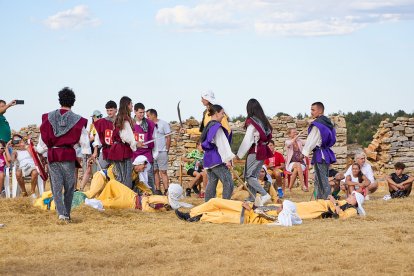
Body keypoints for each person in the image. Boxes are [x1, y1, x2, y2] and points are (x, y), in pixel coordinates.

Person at [36, 87, 90, 222]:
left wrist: (40, 151)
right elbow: (84, 141)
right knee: (69, 186)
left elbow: (42, 139)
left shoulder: (48, 117)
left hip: (53, 154)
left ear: (60, 100)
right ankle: (66, 213)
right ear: (73, 102)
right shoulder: (78, 119)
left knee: (56, 185)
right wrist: (86, 154)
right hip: (68, 155)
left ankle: (61, 213)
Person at [237, 99, 273, 205]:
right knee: (253, 175)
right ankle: (252, 197)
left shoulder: (253, 122)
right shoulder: (263, 122)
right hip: (262, 150)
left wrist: (239, 155)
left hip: (256, 151)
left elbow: (248, 140)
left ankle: (264, 194)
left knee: (249, 176)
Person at [200, 104, 235, 201]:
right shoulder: (216, 127)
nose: (224, 115)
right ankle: (225, 205)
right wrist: (227, 160)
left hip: (209, 159)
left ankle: (207, 206)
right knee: (228, 182)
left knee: (212, 183)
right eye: (222, 113)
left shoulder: (209, 126)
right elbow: (222, 144)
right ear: (216, 113)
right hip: (217, 159)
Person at [302, 102, 336, 200]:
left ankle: (328, 201)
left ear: (320, 110)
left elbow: (311, 141)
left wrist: (304, 153)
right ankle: (319, 200)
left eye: (313, 110)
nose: (311, 112)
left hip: (320, 155)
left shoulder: (318, 124)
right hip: (325, 153)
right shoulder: (328, 123)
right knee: (319, 179)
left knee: (322, 179)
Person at [107, 96, 142, 189]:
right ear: (127, 105)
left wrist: (134, 142)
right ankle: (125, 197)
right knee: (125, 177)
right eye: (131, 104)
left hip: (117, 149)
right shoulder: (124, 119)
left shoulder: (120, 117)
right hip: (122, 151)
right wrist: (135, 143)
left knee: (120, 177)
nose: (132, 106)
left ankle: (120, 196)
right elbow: (126, 136)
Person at [132, 103, 156, 193]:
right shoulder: (130, 123)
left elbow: (155, 138)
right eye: (140, 112)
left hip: (146, 154)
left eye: (143, 112)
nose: (142, 114)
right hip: (134, 155)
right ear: (135, 112)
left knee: (149, 177)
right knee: (134, 178)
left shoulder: (149, 124)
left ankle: (152, 196)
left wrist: (155, 153)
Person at [146, 108, 171, 195]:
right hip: (152, 152)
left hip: (162, 151)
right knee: (155, 171)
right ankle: (157, 189)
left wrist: (167, 149)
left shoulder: (163, 123)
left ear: (153, 115)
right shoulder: (148, 125)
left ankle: (166, 190)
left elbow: (168, 137)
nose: (147, 117)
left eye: (148, 115)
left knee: (163, 171)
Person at [295, 191, 366, 219]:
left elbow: (342, 216)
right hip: (319, 205)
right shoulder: (344, 201)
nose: (350, 195)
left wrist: (334, 202)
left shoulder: (353, 210)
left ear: (356, 200)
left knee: (299, 209)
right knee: (299, 205)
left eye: (353, 195)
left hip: (321, 210)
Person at [79, 110, 101, 191]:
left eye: (98, 117)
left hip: (97, 150)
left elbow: (94, 138)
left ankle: (94, 190)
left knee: (96, 172)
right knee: (88, 169)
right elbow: (88, 137)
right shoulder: (92, 126)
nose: (97, 118)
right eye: (95, 117)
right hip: (90, 150)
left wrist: (87, 141)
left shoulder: (99, 126)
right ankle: (82, 189)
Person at [91, 100, 117, 169]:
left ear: (116, 110)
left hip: (117, 152)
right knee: (100, 172)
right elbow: (97, 138)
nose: (109, 112)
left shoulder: (121, 121)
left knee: (116, 174)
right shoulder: (102, 122)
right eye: (107, 110)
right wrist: (95, 151)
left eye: (111, 110)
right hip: (105, 151)